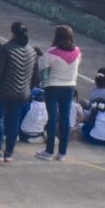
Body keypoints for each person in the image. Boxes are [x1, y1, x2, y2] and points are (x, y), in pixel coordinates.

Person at [0, 23, 36, 165]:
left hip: (4, 91)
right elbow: (34, 75)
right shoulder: (31, 51)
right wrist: (28, 90)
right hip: (22, 93)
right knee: (13, 122)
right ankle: (9, 153)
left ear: (13, 33)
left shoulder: (6, 49)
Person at [38, 25, 82, 161]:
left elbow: (41, 65)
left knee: (52, 118)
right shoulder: (77, 51)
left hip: (53, 86)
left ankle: (49, 150)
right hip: (70, 86)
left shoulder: (52, 52)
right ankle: (62, 152)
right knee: (65, 118)